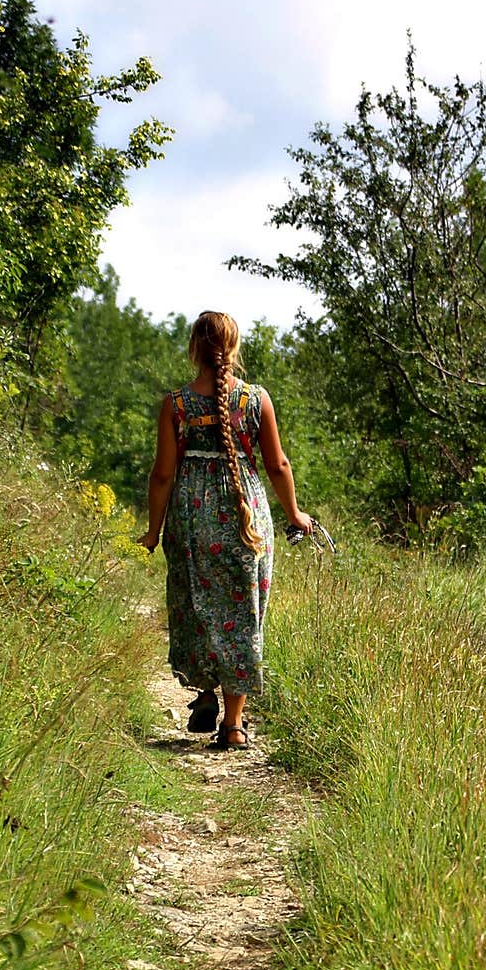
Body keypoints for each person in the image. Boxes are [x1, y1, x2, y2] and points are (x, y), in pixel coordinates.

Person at [138, 310, 312, 749]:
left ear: (194, 349)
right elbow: (277, 464)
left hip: (192, 517)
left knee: (196, 605)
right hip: (245, 515)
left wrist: (153, 530)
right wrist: (294, 515)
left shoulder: (175, 405)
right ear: (233, 349)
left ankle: (205, 693)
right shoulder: (256, 400)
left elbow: (162, 475)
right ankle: (233, 725)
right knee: (242, 613)